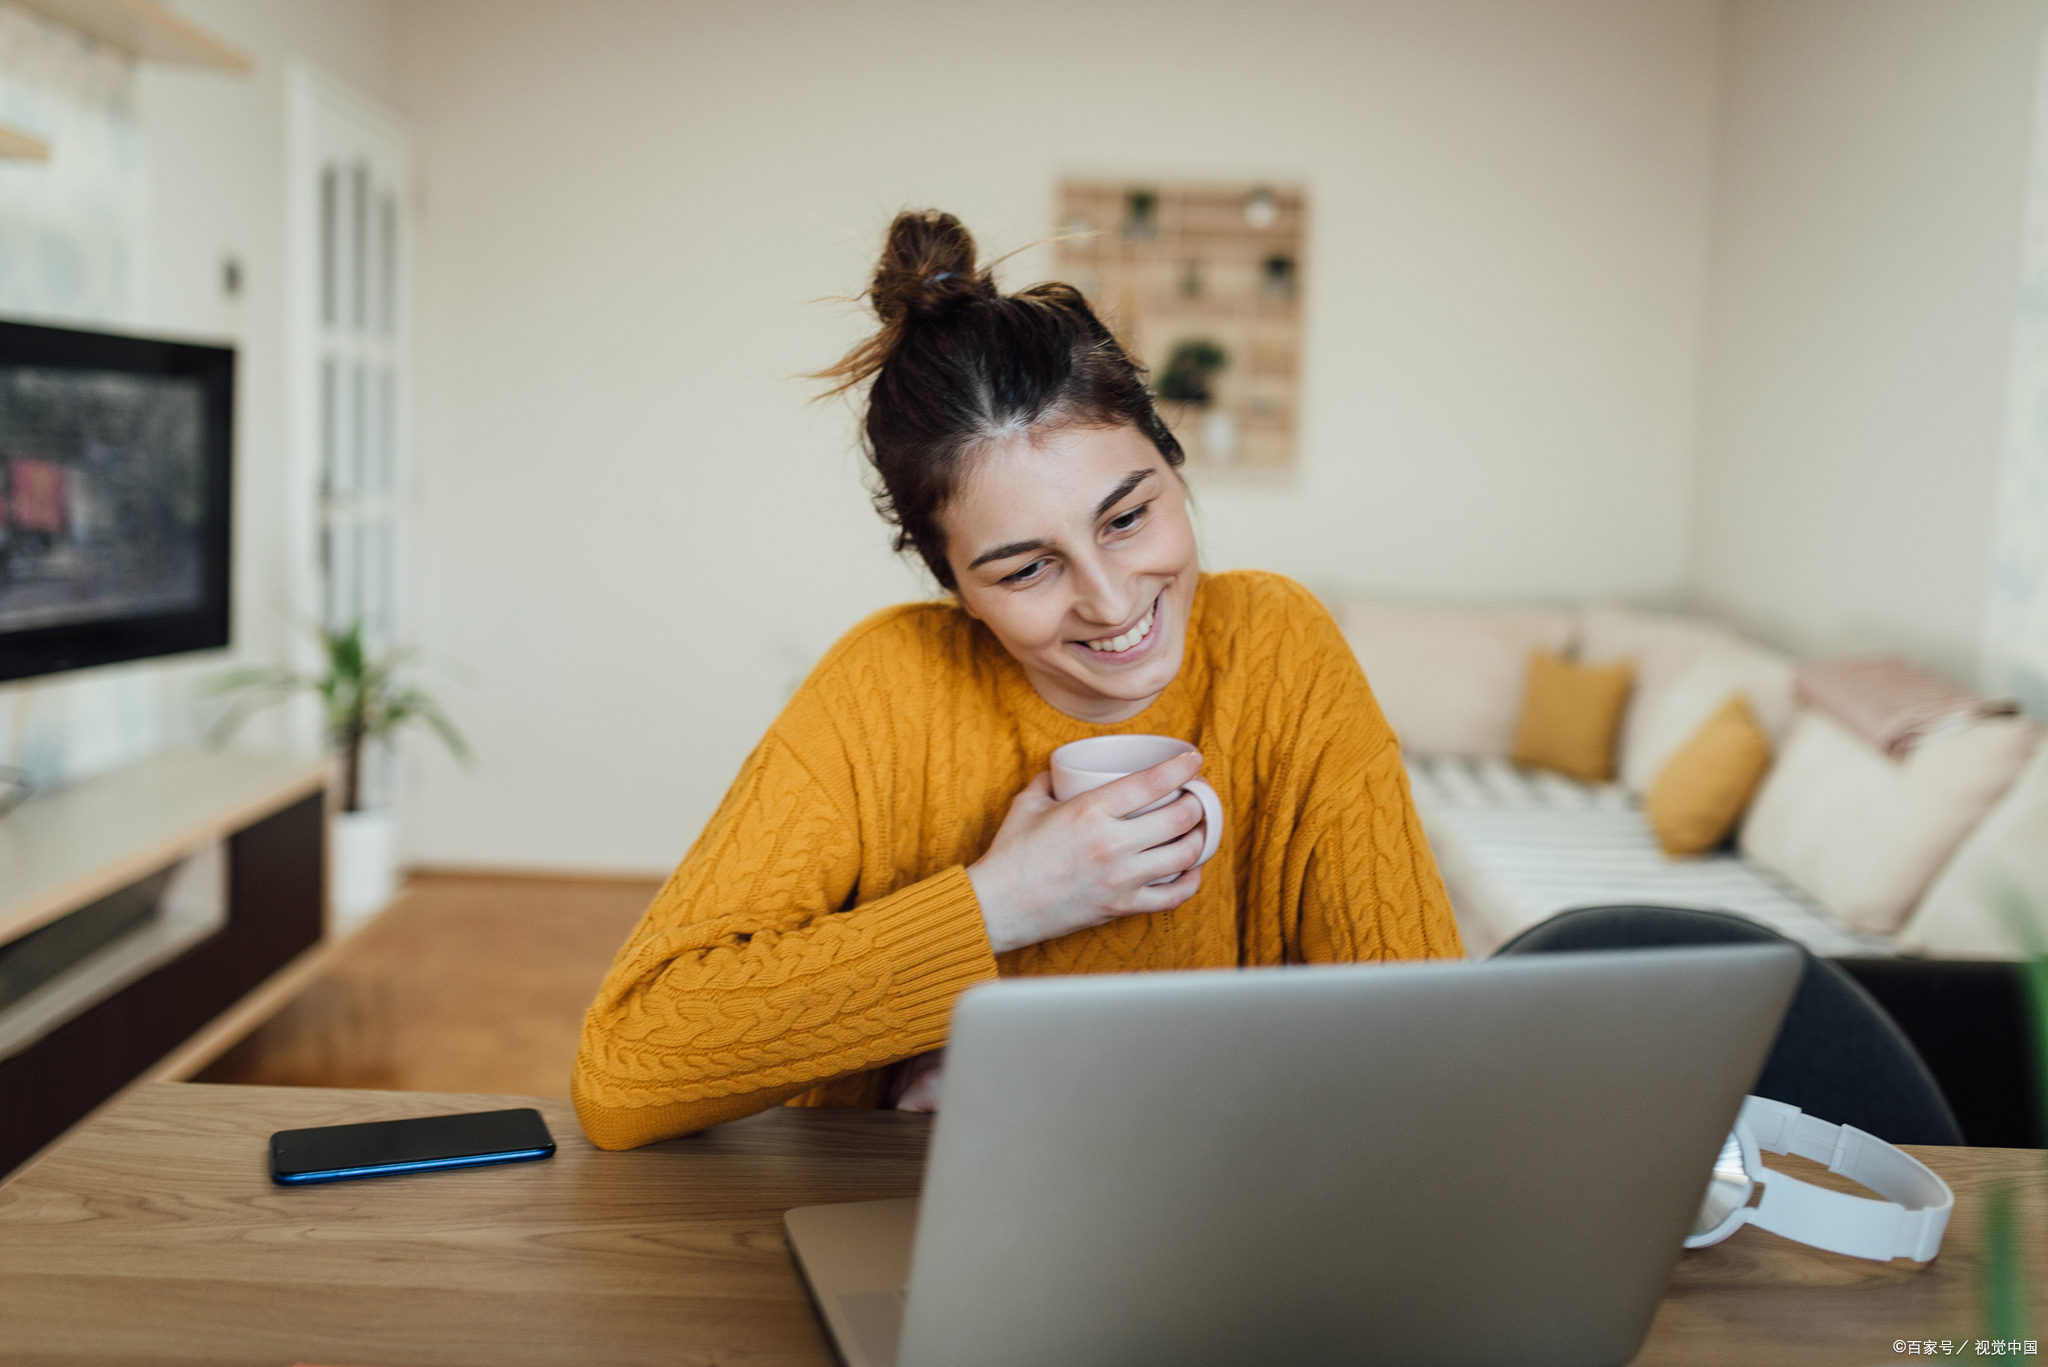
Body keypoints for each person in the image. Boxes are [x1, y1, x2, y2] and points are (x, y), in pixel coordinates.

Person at [572, 210, 1463, 1149]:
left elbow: (1430, 1053)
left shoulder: (1280, 648)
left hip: (1222, 1214)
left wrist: (1045, 1073)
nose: (1112, 601)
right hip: (905, 1218)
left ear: (1172, 459)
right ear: (954, 587)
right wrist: (1005, 902)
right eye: (1025, 569)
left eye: (1126, 517)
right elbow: (626, 1067)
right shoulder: (884, 687)